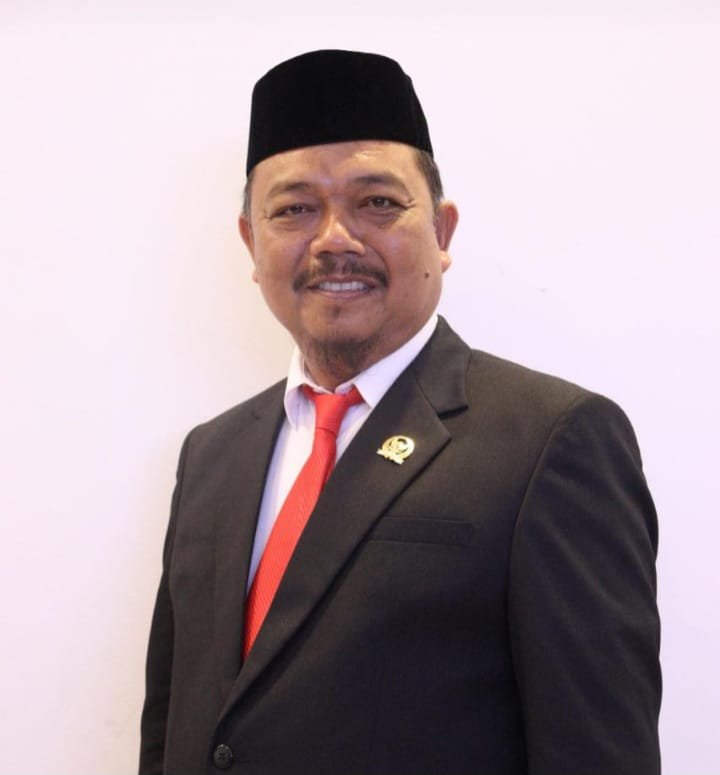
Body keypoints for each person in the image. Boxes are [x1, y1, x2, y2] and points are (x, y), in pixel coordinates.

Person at [139, 50, 661, 775]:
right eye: (293, 210)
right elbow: (176, 729)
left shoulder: (550, 442)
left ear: (442, 232)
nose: (334, 239)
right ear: (251, 243)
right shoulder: (211, 455)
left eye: (377, 203)